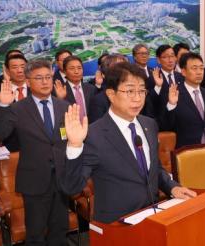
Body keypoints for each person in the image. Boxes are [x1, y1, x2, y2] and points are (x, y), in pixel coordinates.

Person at [62, 62, 196, 223]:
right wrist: (75, 146)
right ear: (111, 94)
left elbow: (155, 169)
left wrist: (172, 187)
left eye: (141, 91)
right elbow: (71, 187)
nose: (138, 99)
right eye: (130, 91)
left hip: (153, 217)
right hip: (117, 225)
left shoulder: (149, 124)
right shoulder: (94, 135)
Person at [0, 59, 71, 245]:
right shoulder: (17, 108)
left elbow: (70, 140)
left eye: (48, 77)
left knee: (60, 230)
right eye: (39, 78)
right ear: (28, 81)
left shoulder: (63, 106)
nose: (45, 82)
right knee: (35, 234)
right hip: (34, 182)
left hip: (61, 180)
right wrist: (2, 106)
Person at [159, 52, 205, 148]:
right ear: (183, 71)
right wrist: (171, 105)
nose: (199, 72)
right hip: (185, 151)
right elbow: (165, 126)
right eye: (194, 68)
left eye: (201, 68)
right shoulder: (173, 93)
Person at [53, 55, 97, 122]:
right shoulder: (59, 91)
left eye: (79, 68)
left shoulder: (91, 88)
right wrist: (60, 99)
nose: (76, 71)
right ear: (64, 71)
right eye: (72, 68)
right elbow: (57, 116)